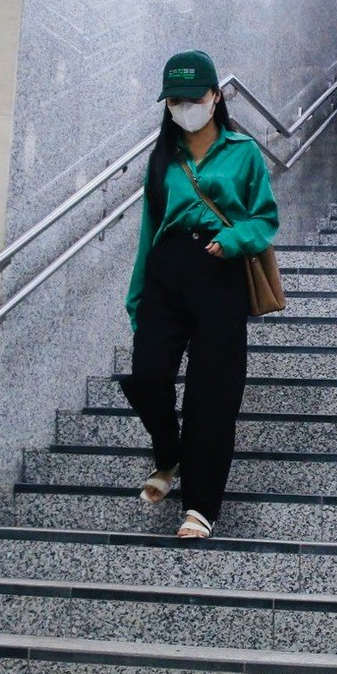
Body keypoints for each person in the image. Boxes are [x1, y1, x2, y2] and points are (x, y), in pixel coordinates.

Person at [121, 50, 279, 541]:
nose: (184, 107)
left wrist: (232, 240)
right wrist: (137, 293)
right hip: (168, 271)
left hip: (220, 270)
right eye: (175, 99)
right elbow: (150, 228)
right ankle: (168, 454)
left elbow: (264, 219)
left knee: (213, 394)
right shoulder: (162, 157)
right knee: (147, 375)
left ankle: (200, 507)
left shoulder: (243, 151)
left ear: (216, 96)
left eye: (193, 98)